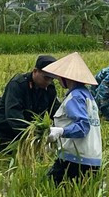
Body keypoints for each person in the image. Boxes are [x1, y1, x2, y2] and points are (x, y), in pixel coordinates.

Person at [42, 52, 101, 185]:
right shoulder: (87, 95)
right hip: (93, 159)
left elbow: (83, 127)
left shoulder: (74, 97)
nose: (57, 79)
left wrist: (60, 131)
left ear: (65, 78)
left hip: (75, 160)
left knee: (48, 190)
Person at [0, 55, 60, 153]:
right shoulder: (18, 85)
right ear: (35, 71)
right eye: (46, 78)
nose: (49, 82)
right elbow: (13, 115)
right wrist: (31, 135)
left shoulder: (50, 88)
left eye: (52, 79)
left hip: (30, 136)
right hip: (5, 134)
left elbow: (55, 110)